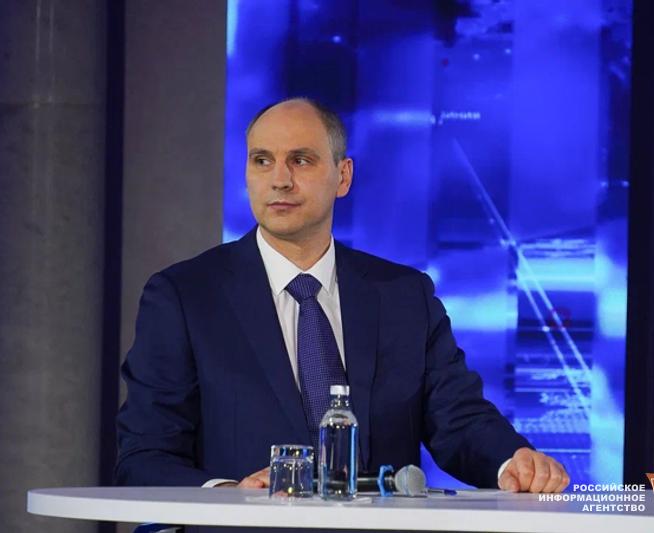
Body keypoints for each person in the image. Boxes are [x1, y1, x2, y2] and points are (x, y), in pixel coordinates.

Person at [115, 97, 569, 494]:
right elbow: (144, 454)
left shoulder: (404, 296)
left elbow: (458, 419)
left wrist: (513, 461)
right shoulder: (186, 296)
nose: (279, 180)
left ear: (343, 176)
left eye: (301, 160)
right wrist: (230, 493)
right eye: (262, 160)